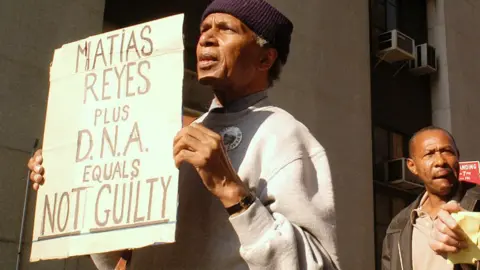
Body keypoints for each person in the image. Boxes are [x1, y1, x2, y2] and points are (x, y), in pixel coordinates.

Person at [28, 0, 339, 269]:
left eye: (226, 29)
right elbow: (123, 259)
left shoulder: (285, 135)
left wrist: (231, 189)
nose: (206, 39)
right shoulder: (164, 133)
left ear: (265, 58)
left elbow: (318, 265)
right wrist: (73, 180)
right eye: (204, 29)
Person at [381, 126, 480, 270]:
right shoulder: (397, 227)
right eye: (429, 154)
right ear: (412, 166)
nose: (440, 161)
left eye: (447, 151)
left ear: (457, 156)